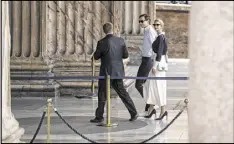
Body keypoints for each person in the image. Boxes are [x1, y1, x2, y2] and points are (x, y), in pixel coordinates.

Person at [90, 22, 139, 123]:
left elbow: (96, 57)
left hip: (106, 73)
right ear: (113, 29)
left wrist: (95, 55)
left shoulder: (102, 42)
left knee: (102, 94)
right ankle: (134, 113)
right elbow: (125, 56)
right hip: (117, 72)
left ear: (104, 31)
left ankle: (99, 117)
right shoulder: (120, 41)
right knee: (123, 93)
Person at [143, 18, 168, 120]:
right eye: (155, 25)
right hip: (158, 62)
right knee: (151, 86)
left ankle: (162, 110)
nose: (156, 26)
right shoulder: (160, 37)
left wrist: (154, 65)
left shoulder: (161, 37)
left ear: (161, 26)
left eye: (158, 25)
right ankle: (151, 108)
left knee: (158, 86)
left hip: (158, 64)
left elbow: (160, 52)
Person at [135, 14, 157, 116]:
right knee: (143, 84)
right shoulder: (146, 31)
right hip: (145, 59)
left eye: (142, 21)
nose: (140, 23)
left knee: (138, 84)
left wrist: (154, 64)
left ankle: (150, 104)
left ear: (147, 21)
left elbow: (155, 48)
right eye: (139, 21)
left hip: (148, 60)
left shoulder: (151, 31)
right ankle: (149, 106)